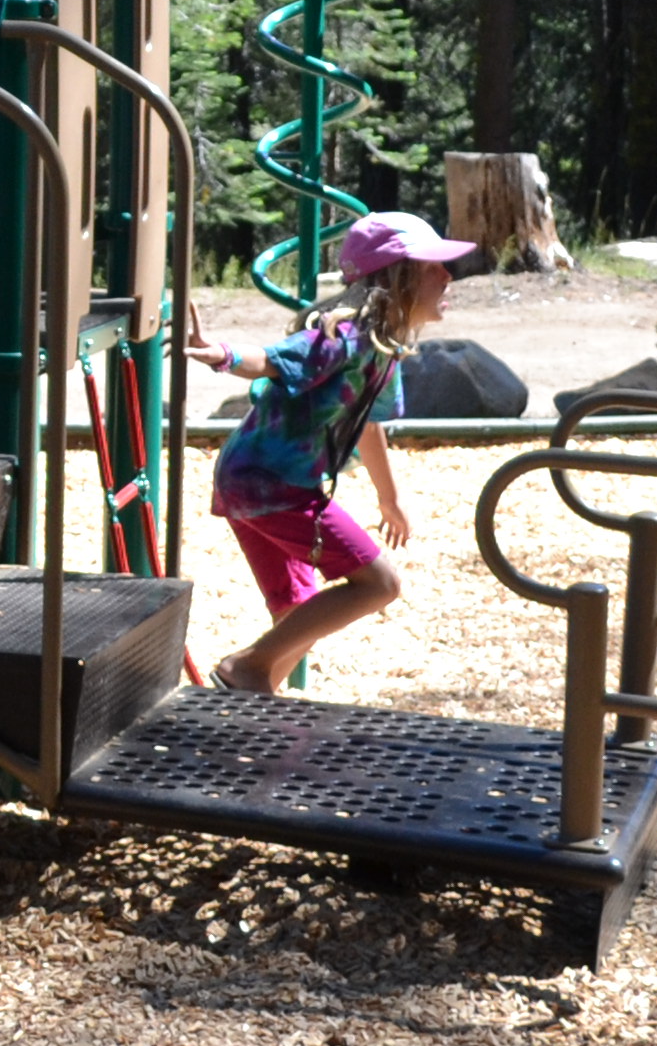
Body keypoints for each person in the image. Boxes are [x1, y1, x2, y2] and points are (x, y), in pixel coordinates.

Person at [184, 213, 475, 697]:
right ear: (396, 277)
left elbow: (370, 424)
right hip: (269, 483)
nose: (447, 276)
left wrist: (390, 496)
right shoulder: (343, 337)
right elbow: (276, 361)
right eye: (432, 268)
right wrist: (223, 354)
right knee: (380, 584)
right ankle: (247, 667)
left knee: (298, 613)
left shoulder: (384, 346)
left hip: (263, 480)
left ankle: (252, 704)